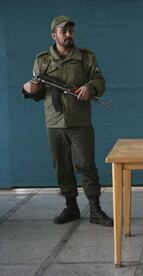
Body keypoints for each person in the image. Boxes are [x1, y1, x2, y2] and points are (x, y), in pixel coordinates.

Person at [22, 15, 113, 227]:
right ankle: (71, 206)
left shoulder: (86, 57)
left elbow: (99, 80)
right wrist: (28, 90)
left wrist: (89, 88)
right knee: (61, 166)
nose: (69, 35)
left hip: (80, 121)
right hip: (54, 122)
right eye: (64, 31)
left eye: (71, 31)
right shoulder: (42, 60)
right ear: (54, 35)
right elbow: (37, 92)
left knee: (86, 165)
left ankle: (95, 209)